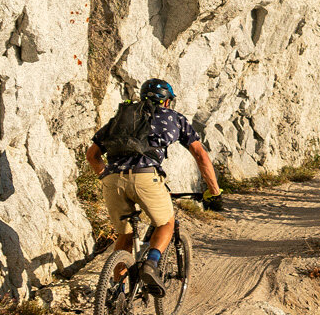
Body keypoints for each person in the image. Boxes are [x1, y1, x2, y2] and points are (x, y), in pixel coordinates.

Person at [85, 78, 224, 289]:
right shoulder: (174, 118)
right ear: (167, 102)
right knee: (166, 223)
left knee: (125, 236)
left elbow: (92, 155)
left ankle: (117, 292)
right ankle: (151, 264)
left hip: (112, 180)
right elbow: (200, 155)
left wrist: (106, 176)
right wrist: (214, 192)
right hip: (146, 177)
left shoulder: (123, 118)